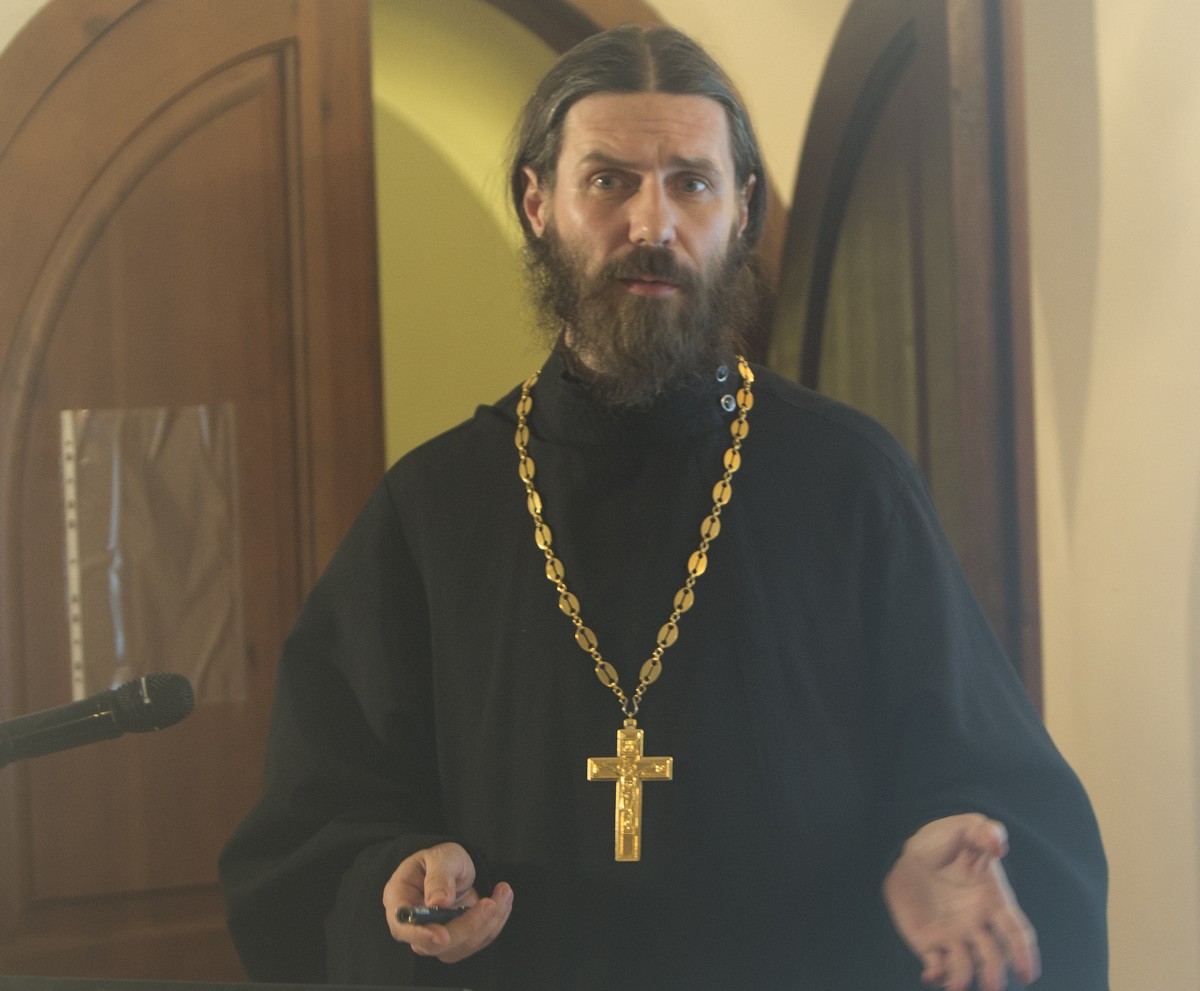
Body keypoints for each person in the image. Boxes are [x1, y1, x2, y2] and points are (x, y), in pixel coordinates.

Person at [219, 25, 1107, 991]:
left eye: (691, 182)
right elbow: (316, 827)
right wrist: (395, 876)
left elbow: (994, 789)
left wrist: (936, 843)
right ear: (537, 203)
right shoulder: (435, 508)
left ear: (742, 210)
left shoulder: (850, 482)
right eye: (609, 181)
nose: (653, 223)